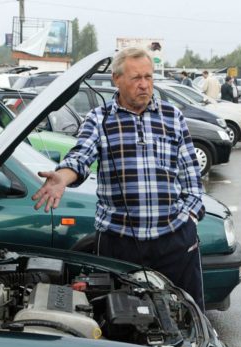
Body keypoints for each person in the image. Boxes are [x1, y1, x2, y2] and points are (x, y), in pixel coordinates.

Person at [31, 47, 206, 309]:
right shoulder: (99, 119)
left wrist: (190, 216)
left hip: (174, 239)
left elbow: (190, 172)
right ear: (116, 79)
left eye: (148, 77)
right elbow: (80, 157)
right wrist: (62, 178)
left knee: (187, 312)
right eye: (136, 78)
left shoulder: (172, 116)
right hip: (120, 243)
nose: (144, 85)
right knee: (122, 319)